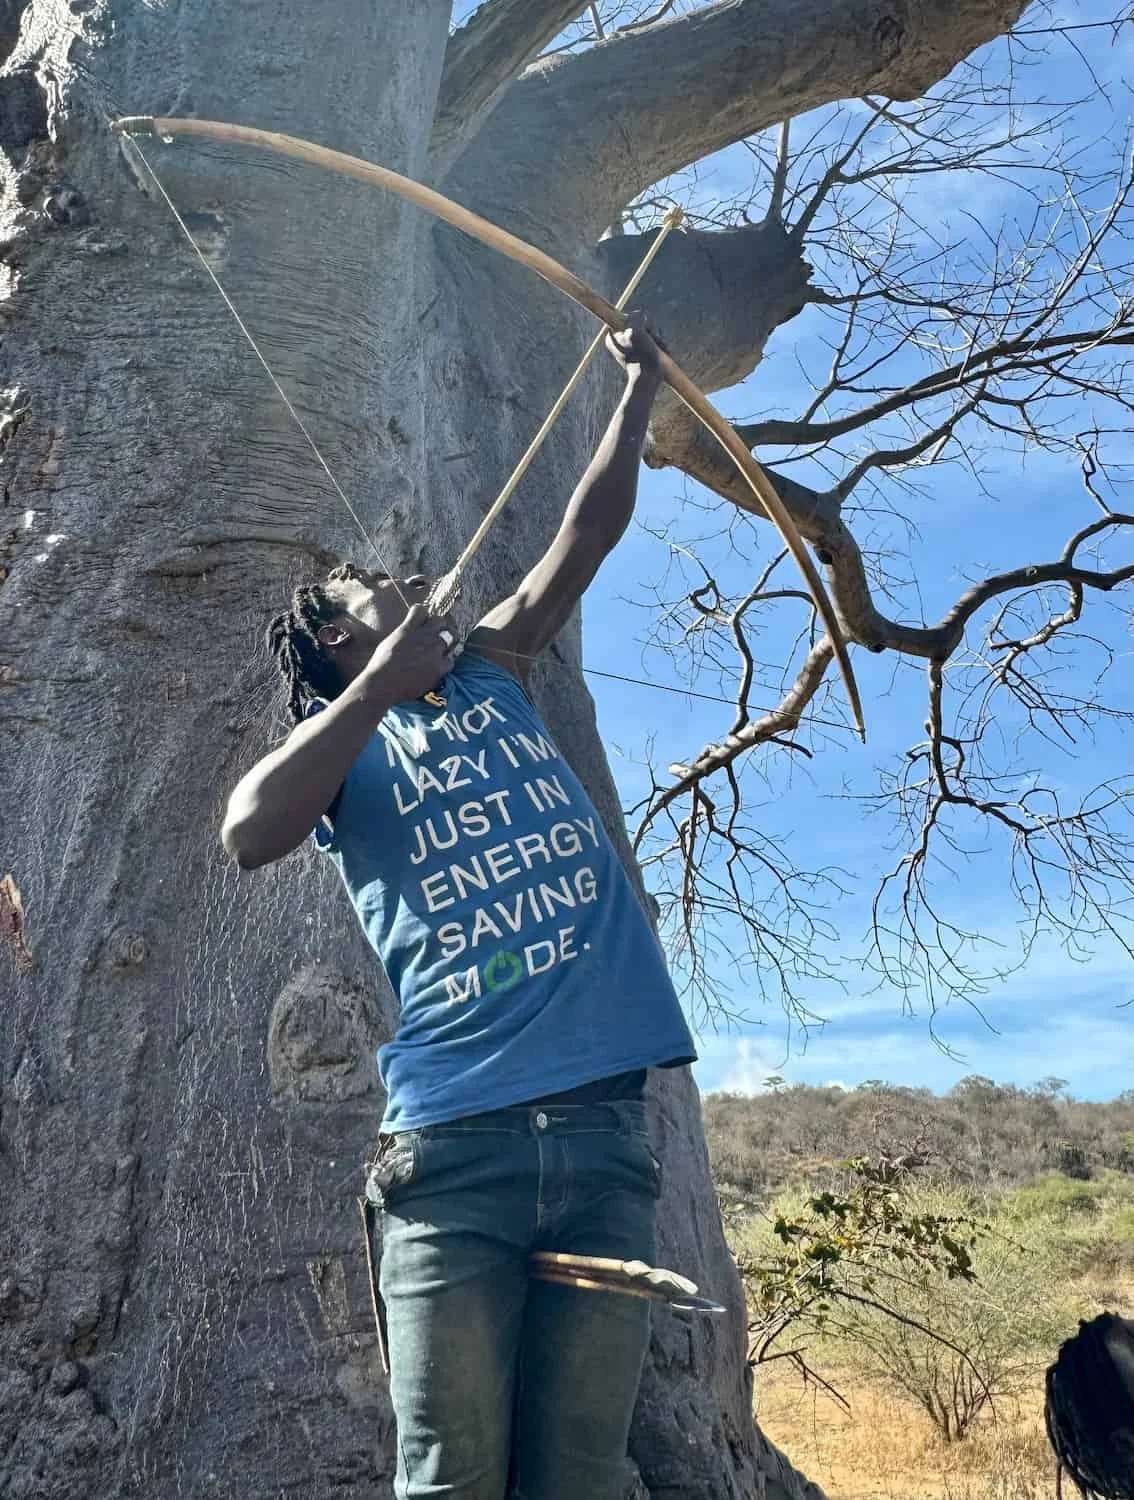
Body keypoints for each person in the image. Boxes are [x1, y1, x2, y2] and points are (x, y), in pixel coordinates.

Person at [221, 320, 697, 1500]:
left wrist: (636, 391)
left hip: (603, 1144)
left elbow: (584, 536)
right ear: (334, 640)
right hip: (452, 1157)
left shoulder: (490, 666)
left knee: (579, 1478)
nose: (410, 586)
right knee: (447, 1479)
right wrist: (379, 691)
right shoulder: (337, 755)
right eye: (377, 589)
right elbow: (246, 832)